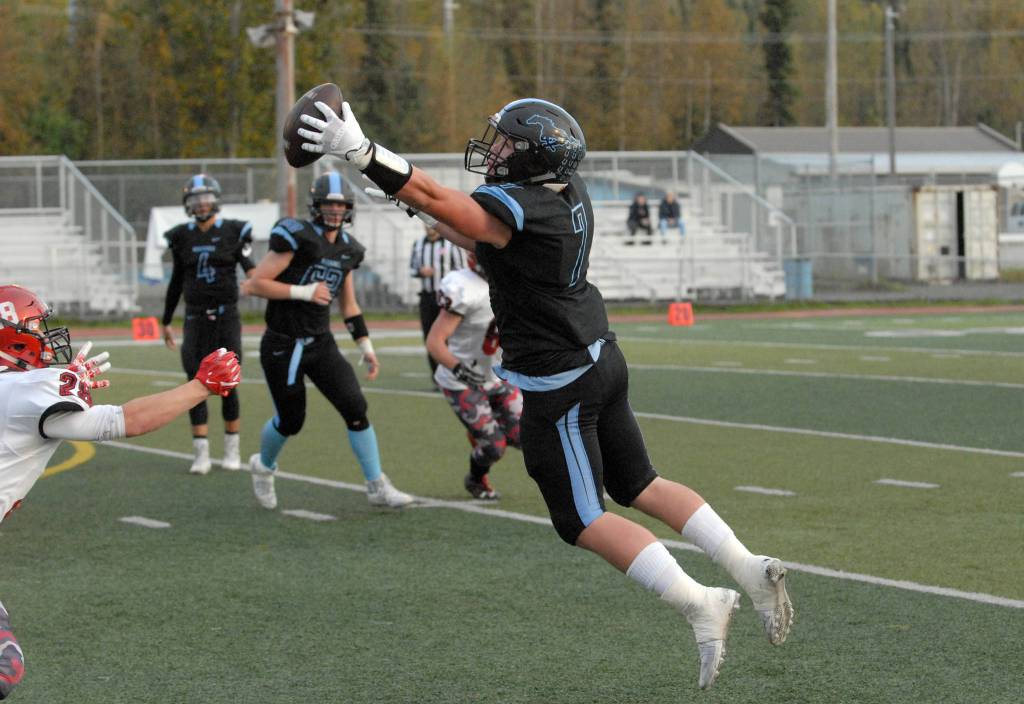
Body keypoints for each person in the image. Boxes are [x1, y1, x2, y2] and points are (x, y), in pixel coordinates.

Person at [297, 96, 793, 690]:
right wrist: (403, 199)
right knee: (640, 483)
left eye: (505, 141)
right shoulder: (566, 192)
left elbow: (446, 203)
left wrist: (363, 152)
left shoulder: (524, 205)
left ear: (533, 155)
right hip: (600, 353)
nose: (495, 149)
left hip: (562, 381)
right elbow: (478, 236)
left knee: (581, 517)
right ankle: (748, 567)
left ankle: (699, 602)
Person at [0, 284, 240, 701]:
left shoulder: (23, 388)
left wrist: (61, 382)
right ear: (11, 332)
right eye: (36, 326)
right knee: (5, 668)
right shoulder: (31, 390)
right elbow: (125, 421)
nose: (45, 335)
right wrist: (202, 386)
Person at [240, 171, 413, 510]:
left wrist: (366, 346)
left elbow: (348, 304)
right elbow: (255, 284)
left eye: (340, 205)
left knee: (355, 407)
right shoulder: (297, 237)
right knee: (291, 421)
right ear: (315, 206)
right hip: (283, 343)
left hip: (321, 343)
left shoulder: (349, 249)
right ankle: (263, 466)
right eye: (328, 204)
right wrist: (302, 291)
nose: (335, 211)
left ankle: (376, 484)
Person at [162, 174, 255, 475]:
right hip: (195, 316)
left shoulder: (234, 232)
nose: (202, 204)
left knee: (228, 380)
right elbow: (176, 281)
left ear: (216, 200)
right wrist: (166, 321)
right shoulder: (181, 236)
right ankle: (201, 452)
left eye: (206, 198)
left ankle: (232, 448)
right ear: (188, 205)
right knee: (195, 380)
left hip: (226, 314)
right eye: (195, 200)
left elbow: (251, 270)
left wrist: (265, 287)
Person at [425, 252, 521, 500]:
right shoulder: (464, 286)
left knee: (526, 436)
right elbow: (435, 342)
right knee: (494, 447)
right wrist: (459, 369)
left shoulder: (514, 280)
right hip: (462, 381)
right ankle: (476, 479)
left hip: (498, 376)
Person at [409, 223, 465, 379]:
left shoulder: (451, 244)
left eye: (431, 224)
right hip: (427, 297)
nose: (429, 227)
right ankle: (437, 377)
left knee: (450, 337)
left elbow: (462, 271)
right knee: (429, 337)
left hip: (447, 298)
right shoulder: (418, 244)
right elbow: (411, 269)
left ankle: (454, 374)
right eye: (426, 224)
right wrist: (420, 272)